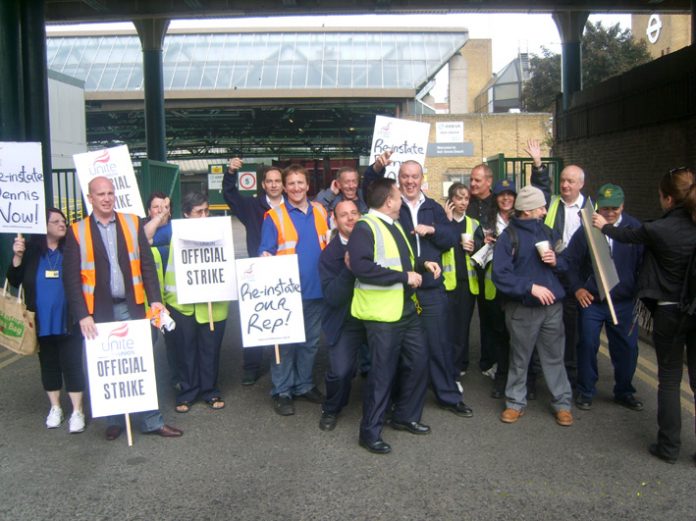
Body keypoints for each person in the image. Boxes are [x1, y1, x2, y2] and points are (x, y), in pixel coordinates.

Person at [63, 176, 183, 441]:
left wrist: (155, 300)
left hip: (134, 307)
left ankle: (152, 420)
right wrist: (82, 314)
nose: (106, 198)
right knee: (107, 367)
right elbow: (71, 279)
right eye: (100, 194)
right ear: (90, 198)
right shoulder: (76, 231)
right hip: (98, 312)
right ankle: (115, 419)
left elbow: (147, 266)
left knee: (141, 364)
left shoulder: (131, 223)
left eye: (110, 193)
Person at [593, 167, 696, 465]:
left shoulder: (658, 229)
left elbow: (628, 235)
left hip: (669, 312)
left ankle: (669, 447)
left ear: (666, 199)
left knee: (669, 379)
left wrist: (602, 225)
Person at [364, 156, 474, 418]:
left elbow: (450, 239)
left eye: (415, 176)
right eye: (405, 176)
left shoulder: (434, 208)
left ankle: (448, 395)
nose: (410, 181)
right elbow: (368, 192)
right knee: (401, 349)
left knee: (439, 344)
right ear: (398, 178)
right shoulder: (390, 206)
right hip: (399, 288)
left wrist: (433, 230)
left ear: (422, 178)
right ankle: (399, 400)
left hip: (431, 288)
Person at [349, 177, 438, 454]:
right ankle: (370, 431)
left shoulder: (395, 224)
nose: (401, 200)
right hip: (381, 315)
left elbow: (405, 261)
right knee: (382, 373)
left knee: (419, 361)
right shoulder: (365, 227)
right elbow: (362, 267)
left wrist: (422, 264)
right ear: (389, 201)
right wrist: (404, 277)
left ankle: (405, 416)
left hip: (405, 310)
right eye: (398, 196)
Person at [492, 185, 573, 427]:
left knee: (554, 357)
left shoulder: (548, 232)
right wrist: (530, 287)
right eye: (541, 207)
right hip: (522, 308)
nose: (545, 210)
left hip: (552, 308)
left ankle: (562, 404)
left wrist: (556, 260)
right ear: (527, 211)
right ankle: (515, 403)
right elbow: (500, 276)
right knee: (520, 357)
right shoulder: (508, 237)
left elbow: (567, 262)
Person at [565, 184, 644, 412]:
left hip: (624, 302)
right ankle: (586, 390)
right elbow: (571, 263)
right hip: (593, 302)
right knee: (588, 344)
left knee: (627, 349)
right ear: (598, 206)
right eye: (605, 208)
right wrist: (578, 288)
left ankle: (624, 391)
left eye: (615, 209)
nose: (609, 213)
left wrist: (639, 292)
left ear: (623, 206)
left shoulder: (634, 228)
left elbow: (643, 264)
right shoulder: (587, 229)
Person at [7, 209, 86, 433]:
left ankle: (77, 411)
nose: (62, 224)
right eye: (56, 221)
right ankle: (55, 407)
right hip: (41, 320)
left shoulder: (72, 249)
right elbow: (13, 279)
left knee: (72, 364)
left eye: (63, 221)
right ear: (44, 227)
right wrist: (17, 256)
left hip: (68, 318)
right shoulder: (31, 251)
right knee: (49, 365)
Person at [258, 164, 329, 416]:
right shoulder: (274, 216)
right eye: (291, 184)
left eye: (301, 183)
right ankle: (282, 391)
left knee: (310, 343)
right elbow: (265, 250)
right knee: (285, 344)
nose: (296, 188)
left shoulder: (321, 211)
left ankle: (304, 385)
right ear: (284, 188)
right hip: (285, 294)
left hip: (316, 290)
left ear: (308, 186)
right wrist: (264, 256)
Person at [526, 138, 586, 387]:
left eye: (570, 181)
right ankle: (539, 378)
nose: (565, 185)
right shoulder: (549, 205)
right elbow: (540, 188)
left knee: (573, 332)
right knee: (545, 328)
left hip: (577, 280)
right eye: (562, 180)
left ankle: (571, 378)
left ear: (581, 184)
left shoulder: (591, 211)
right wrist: (538, 164)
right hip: (551, 275)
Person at [164, 192, 229, 413]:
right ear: (185, 214)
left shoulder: (219, 232)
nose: (204, 215)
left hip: (213, 304)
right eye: (198, 212)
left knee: (210, 350)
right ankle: (188, 392)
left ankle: (210, 390)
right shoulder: (176, 236)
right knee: (186, 351)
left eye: (206, 210)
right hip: (183, 305)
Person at [223, 160, 285, 385]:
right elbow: (230, 195)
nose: (274, 185)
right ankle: (251, 366)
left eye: (278, 181)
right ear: (263, 184)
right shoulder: (251, 207)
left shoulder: (293, 206)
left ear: (283, 185)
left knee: (285, 319)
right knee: (255, 320)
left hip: (285, 272)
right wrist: (230, 173)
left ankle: (284, 365)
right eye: (269, 181)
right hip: (257, 272)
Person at [318, 199, 366, 431]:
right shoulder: (329, 256)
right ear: (335, 221)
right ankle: (331, 408)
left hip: (374, 317)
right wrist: (348, 271)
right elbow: (333, 298)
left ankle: (388, 405)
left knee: (390, 362)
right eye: (344, 215)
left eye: (354, 213)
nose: (350, 218)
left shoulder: (373, 243)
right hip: (345, 321)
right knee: (340, 371)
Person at [473, 179, 516, 399]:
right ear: (495, 198)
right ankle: (501, 376)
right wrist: (484, 242)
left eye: (510, 194)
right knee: (498, 331)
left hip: (516, 287)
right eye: (501, 195)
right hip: (492, 286)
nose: (506, 198)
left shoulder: (521, 220)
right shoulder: (486, 221)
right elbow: (475, 250)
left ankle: (521, 379)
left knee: (516, 333)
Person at [442, 183, 478, 378]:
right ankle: (450, 364)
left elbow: (483, 252)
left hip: (467, 283)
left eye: (466, 198)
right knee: (448, 327)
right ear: (451, 200)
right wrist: (446, 222)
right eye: (458, 198)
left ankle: (461, 363)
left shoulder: (473, 224)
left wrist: (474, 247)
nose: (463, 202)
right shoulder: (443, 222)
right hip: (448, 283)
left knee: (463, 326)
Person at [466, 163, 498, 374]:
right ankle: (460, 362)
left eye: (477, 180)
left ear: (489, 181)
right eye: (471, 180)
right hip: (467, 269)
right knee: (463, 317)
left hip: (489, 270)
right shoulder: (465, 201)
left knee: (490, 317)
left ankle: (489, 361)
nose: (473, 184)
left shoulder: (499, 203)